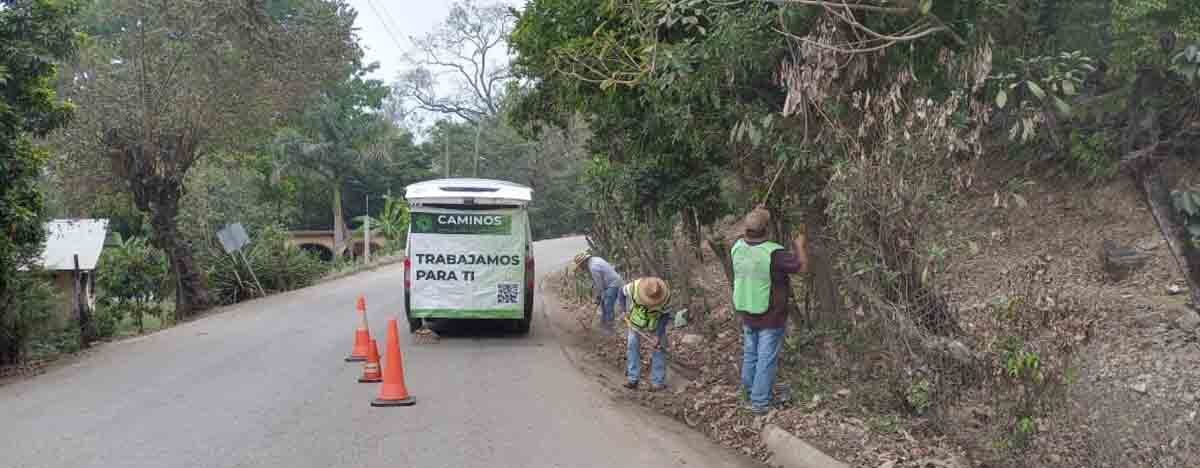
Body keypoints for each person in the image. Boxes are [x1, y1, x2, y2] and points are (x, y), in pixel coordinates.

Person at [732, 205, 808, 415]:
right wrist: (800, 245)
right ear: (768, 230)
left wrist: (755, 215)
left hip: (747, 311)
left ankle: (747, 394)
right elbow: (801, 268)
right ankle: (760, 403)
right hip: (770, 315)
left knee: (751, 355)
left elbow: (747, 233)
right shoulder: (774, 253)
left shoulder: (737, 246)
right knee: (766, 358)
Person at [619, 276, 671, 391]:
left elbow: (665, 315)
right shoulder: (633, 287)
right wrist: (623, 310)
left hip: (656, 322)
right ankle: (633, 379)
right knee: (632, 346)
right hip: (636, 321)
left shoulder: (665, 295)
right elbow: (620, 293)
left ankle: (657, 382)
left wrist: (658, 335)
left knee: (659, 348)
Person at [574, 252, 624, 334]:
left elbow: (599, 284)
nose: (582, 268)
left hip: (613, 284)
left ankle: (609, 328)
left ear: (583, 262)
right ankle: (603, 324)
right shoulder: (596, 259)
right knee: (604, 304)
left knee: (608, 305)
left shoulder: (593, 267)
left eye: (581, 266)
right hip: (611, 282)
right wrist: (600, 295)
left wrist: (599, 295)